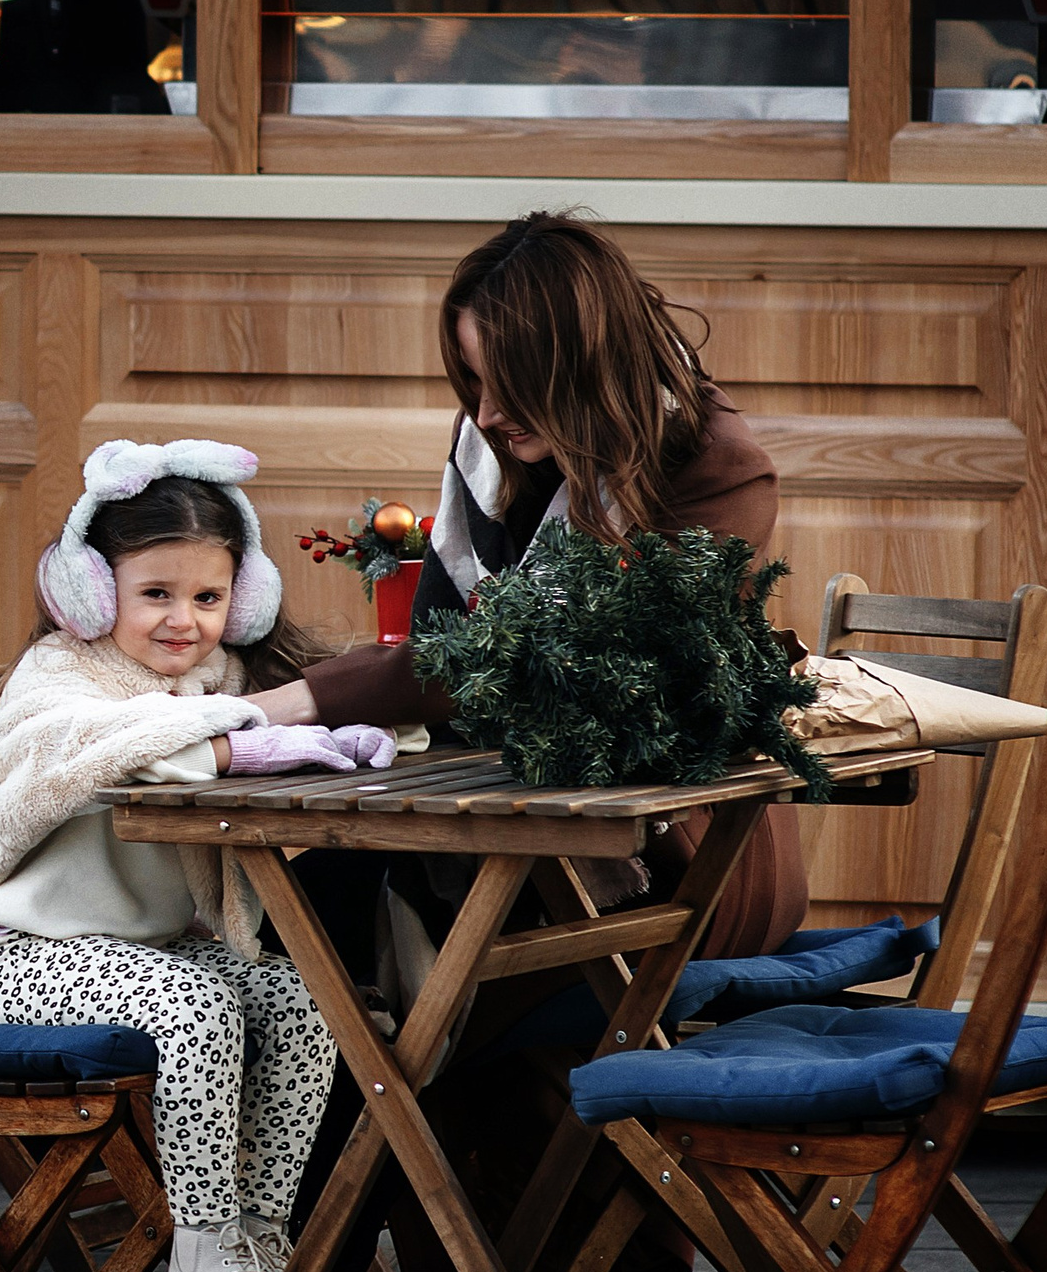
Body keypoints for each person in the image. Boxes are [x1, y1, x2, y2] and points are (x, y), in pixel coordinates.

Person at [250, 208, 807, 957]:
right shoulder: (496, 444)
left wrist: (294, 700)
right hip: (507, 822)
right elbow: (440, 642)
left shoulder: (715, 471)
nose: (484, 412)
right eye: (473, 380)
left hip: (674, 873)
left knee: (337, 961)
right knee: (286, 933)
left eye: (510, 382)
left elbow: (530, 660)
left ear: (580, 363)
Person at [0, 438, 397, 1272]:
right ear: (92, 593)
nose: (182, 620)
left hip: (140, 954)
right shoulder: (57, 684)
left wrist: (359, 725)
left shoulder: (213, 678)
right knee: (198, 1005)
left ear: (244, 597)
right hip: (24, 959)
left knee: (306, 997)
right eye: (155, 594)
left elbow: (264, 713)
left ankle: (256, 1240)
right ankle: (198, 1254)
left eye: (207, 596)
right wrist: (243, 738)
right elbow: (104, 745)